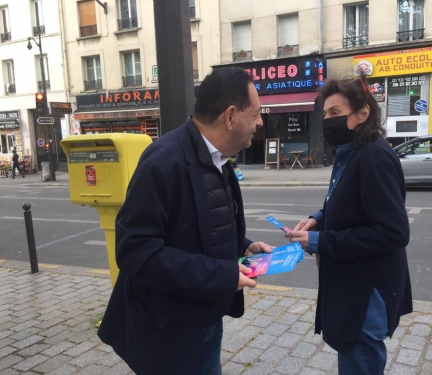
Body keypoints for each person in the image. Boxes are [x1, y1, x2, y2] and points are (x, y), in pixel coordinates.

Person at [98, 67, 273, 374]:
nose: (260, 122)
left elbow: (205, 224)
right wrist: (222, 276)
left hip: (205, 320)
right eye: (256, 113)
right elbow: (136, 252)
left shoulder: (218, 157)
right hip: (169, 331)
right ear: (230, 117)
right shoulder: (163, 161)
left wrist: (244, 248)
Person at [284, 75, 412, 375]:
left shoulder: (373, 157)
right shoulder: (352, 152)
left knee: (361, 363)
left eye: (335, 113)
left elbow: (393, 232)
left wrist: (318, 242)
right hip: (355, 289)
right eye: (325, 114)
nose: (327, 120)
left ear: (362, 114)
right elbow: (352, 205)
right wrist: (319, 218)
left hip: (366, 295)